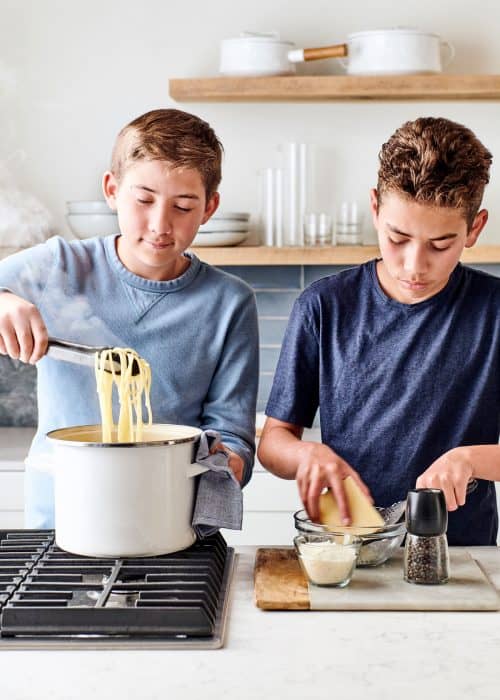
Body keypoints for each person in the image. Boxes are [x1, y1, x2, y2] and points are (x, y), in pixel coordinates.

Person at [0, 108, 258, 528]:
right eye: (143, 199)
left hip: (169, 526)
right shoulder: (58, 266)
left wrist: (225, 462)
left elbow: (232, 436)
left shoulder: (229, 302)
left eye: (183, 206)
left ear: (209, 208)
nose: (160, 224)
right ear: (111, 189)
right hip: (60, 522)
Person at [258, 116, 500, 546]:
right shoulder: (323, 307)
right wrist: (308, 455)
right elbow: (275, 441)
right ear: (375, 208)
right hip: (347, 549)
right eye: (397, 237)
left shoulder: (494, 312)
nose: (414, 264)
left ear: (474, 229)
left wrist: (471, 459)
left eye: (440, 245)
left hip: (462, 558)